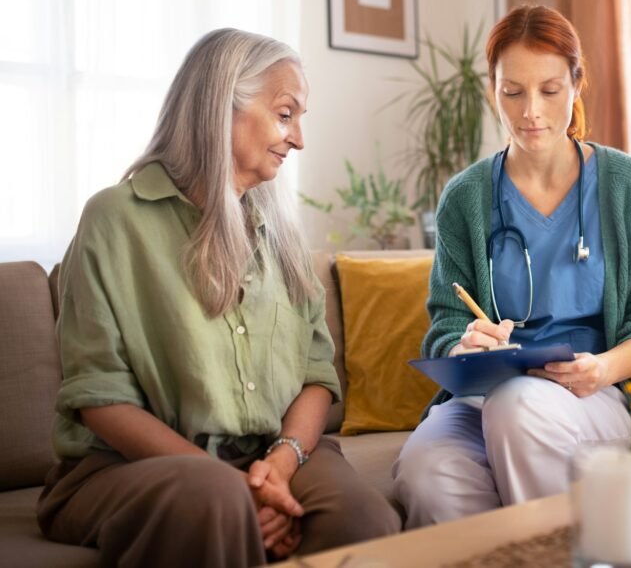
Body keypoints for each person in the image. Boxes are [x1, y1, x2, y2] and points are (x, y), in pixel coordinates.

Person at [37, 28, 401, 567]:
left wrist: (280, 462)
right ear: (221, 106)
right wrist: (233, 484)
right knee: (214, 499)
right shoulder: (114, 219)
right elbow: (98, 396)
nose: (298, 139)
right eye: (285, 114)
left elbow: (317, 376)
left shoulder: (281, 233)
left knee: (363, 519)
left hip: (272, 454)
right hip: (124, 469)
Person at [393, 5, 631, 528]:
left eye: (549, 90)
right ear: (492, 90)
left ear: (576, 84)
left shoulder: (627, 185)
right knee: (426, 470)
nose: (531, 111)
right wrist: (464, 345)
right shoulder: (465, 198)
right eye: (513, 91)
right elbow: (444, 324)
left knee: (518, 407)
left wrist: (604, 369)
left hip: (595, 395)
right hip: (487, 398)